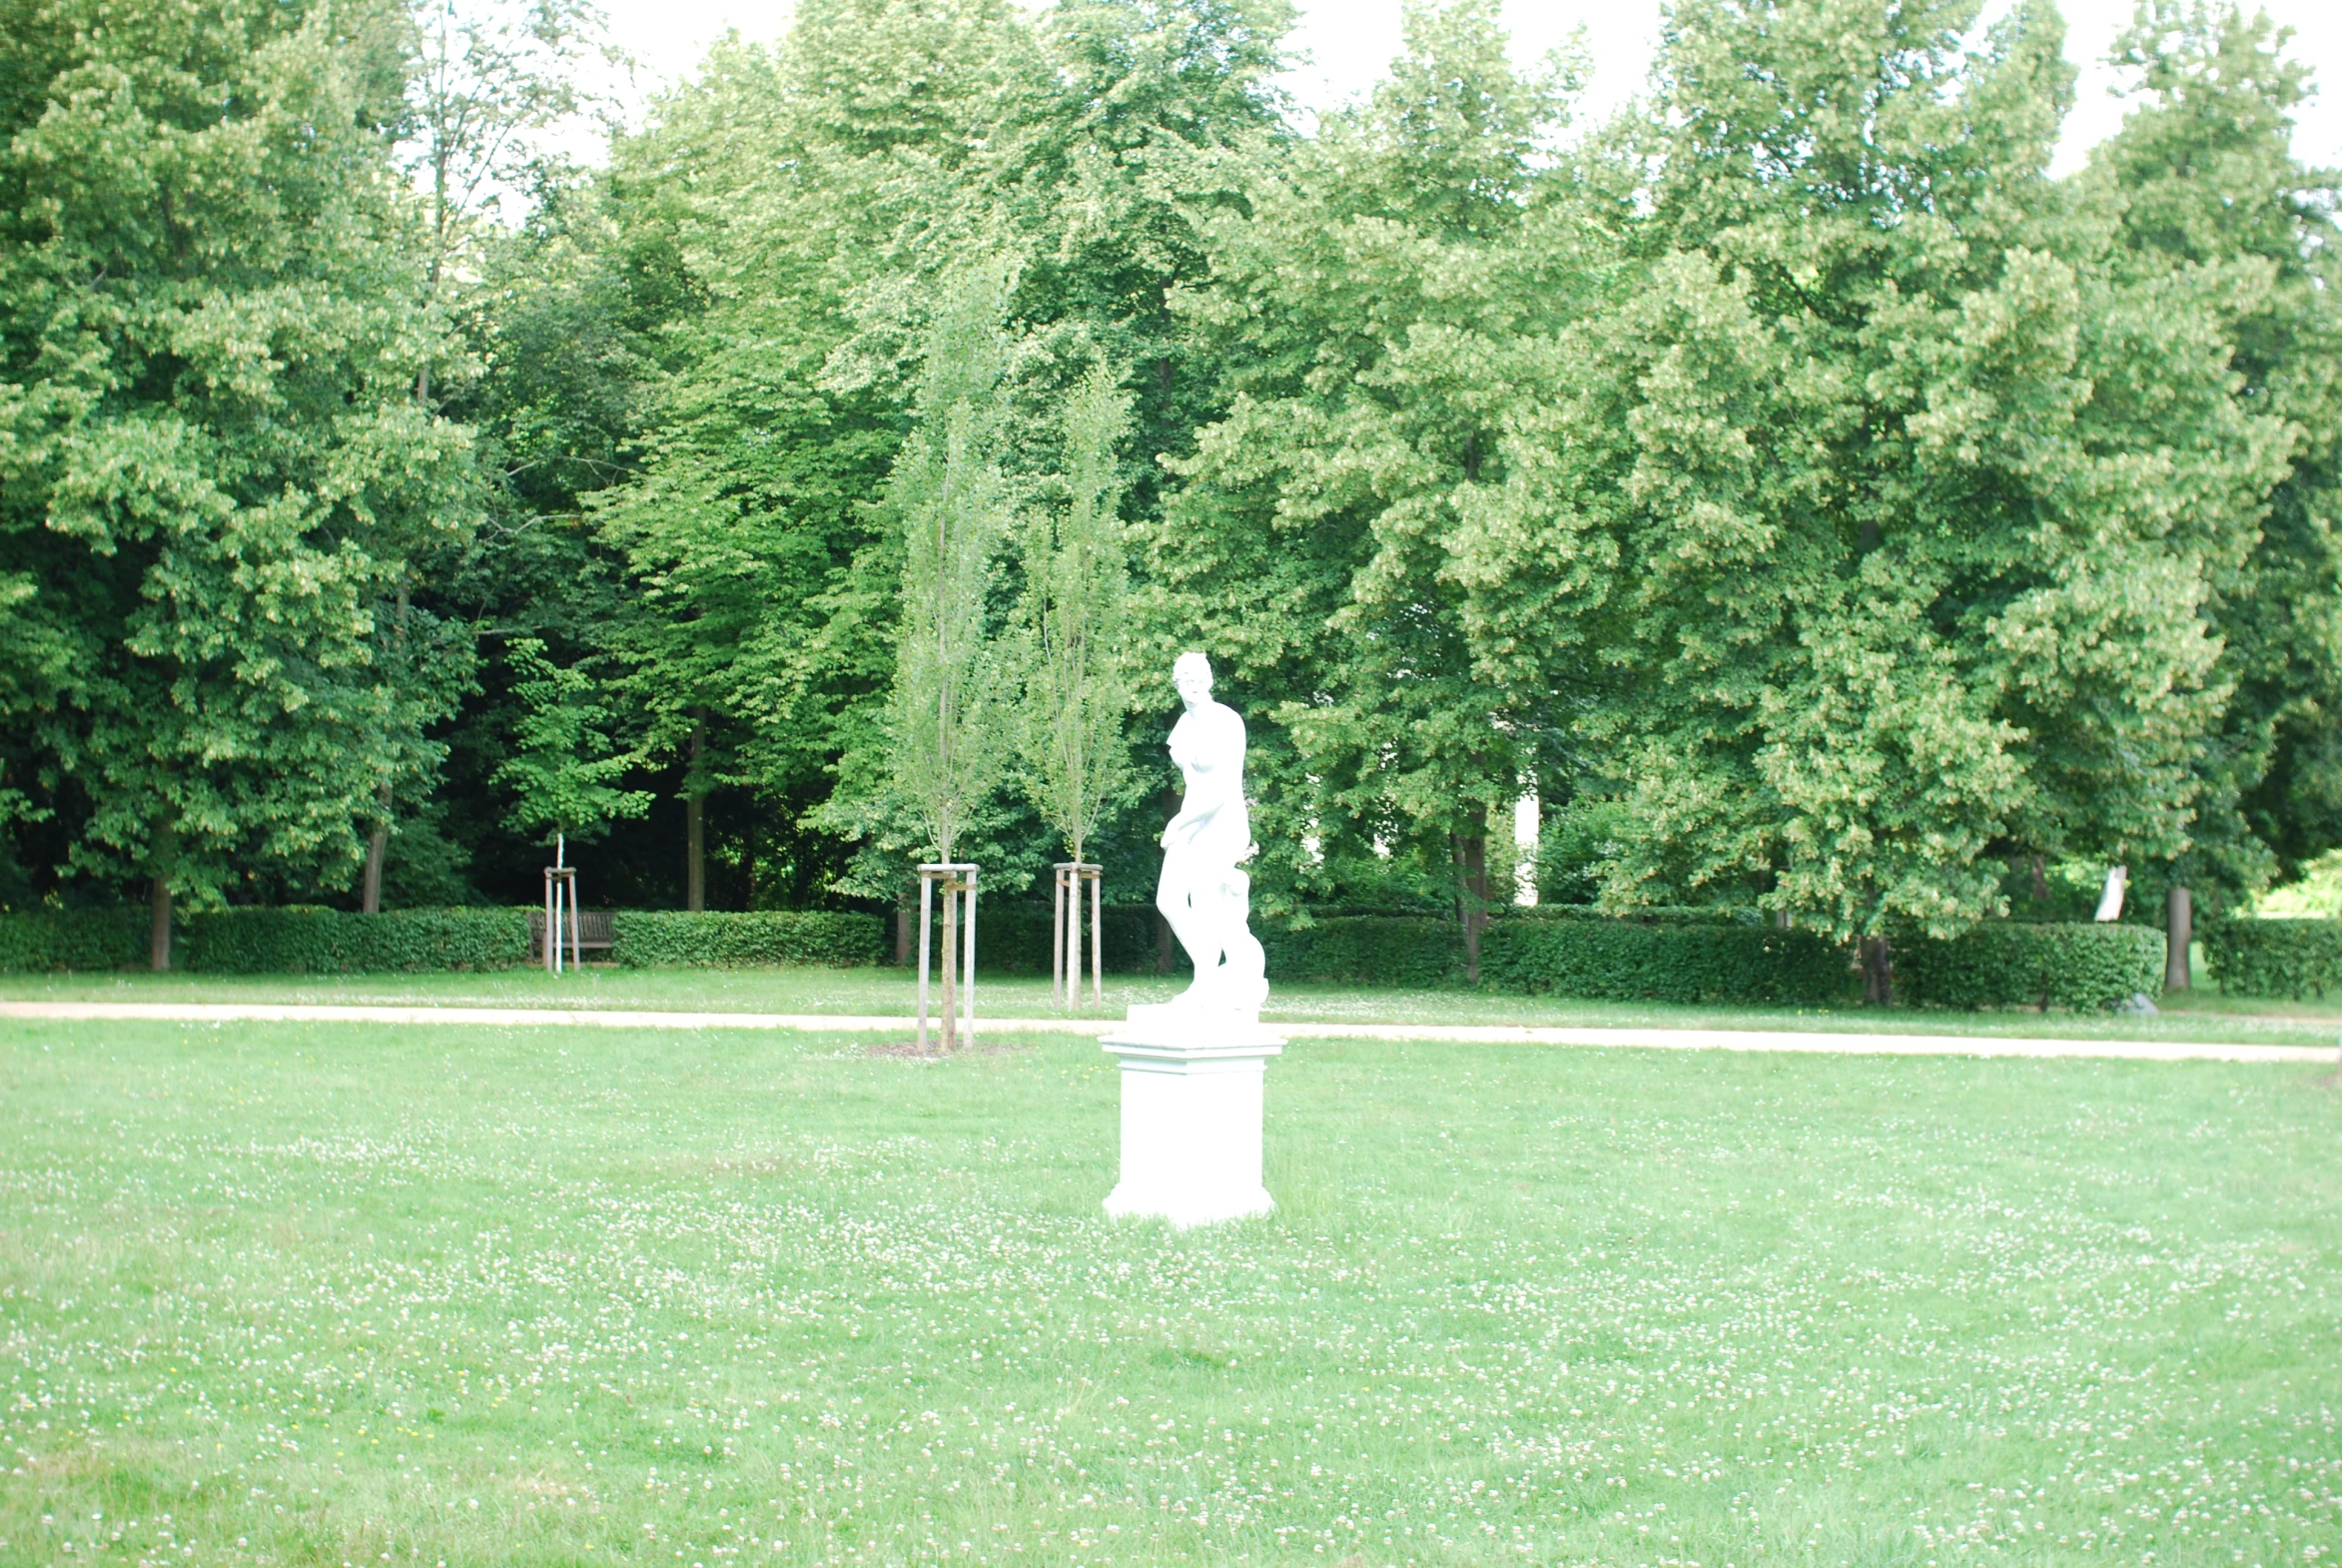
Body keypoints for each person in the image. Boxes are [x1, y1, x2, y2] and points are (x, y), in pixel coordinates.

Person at [1156, 651, 1268, 1017]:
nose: (1193, 685)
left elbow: (1220, 791)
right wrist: (1185, 822)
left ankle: (1207, 982)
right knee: (1169, 900)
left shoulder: (1226, 722)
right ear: (1176, 684)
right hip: (1193, 820)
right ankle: (1207, 975)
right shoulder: (1184, 726)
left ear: (1210, 680)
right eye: (1185, 679)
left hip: (1221, 822)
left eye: (1199, 677)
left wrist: (1179, 823)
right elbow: (1188, 772)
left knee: (1208, 908)